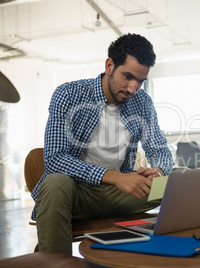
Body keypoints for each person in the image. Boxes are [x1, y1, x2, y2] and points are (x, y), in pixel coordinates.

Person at [31, 33, 174, 255]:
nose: (133, 88)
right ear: (109, 66)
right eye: (127, 76)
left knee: (180, 180)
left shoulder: (142, 102)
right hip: (77, 195)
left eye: (140, 81)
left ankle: (179, 255)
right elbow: (54, 159)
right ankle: (56, 263)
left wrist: (159, 170)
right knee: (55, 182)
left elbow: (160, 150)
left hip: (122, 196)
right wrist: (116, 178)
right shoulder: (68, 95)